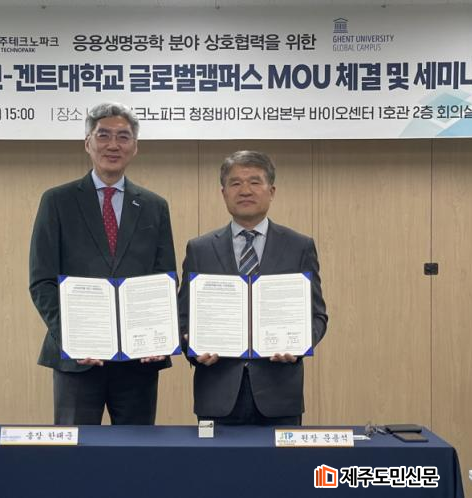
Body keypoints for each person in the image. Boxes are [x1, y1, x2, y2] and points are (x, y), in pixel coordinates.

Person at [29, 102, 176, 425]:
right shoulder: (57, 201)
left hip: (138, 360)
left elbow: (164, 279)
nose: (113, 145)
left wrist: (160, 337)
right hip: (77, 361)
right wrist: (73, 340)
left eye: (123, 137)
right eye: (103, 135)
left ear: (135, 147)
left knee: (137, 448)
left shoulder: (154, 206)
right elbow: (42, 281)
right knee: (76, 449)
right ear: (87, 143)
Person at [178, 150, 327, 426]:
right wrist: (193, 347)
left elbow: (317, 315)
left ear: (272, 191)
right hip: (217, 393)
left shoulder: (299, 246)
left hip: (279, 394)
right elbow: (182, 318)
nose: (245, 190)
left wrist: (299, 344)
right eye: (235, 183)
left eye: (255, 182)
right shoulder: (200, 249)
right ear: (223, 193)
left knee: (279, 458)